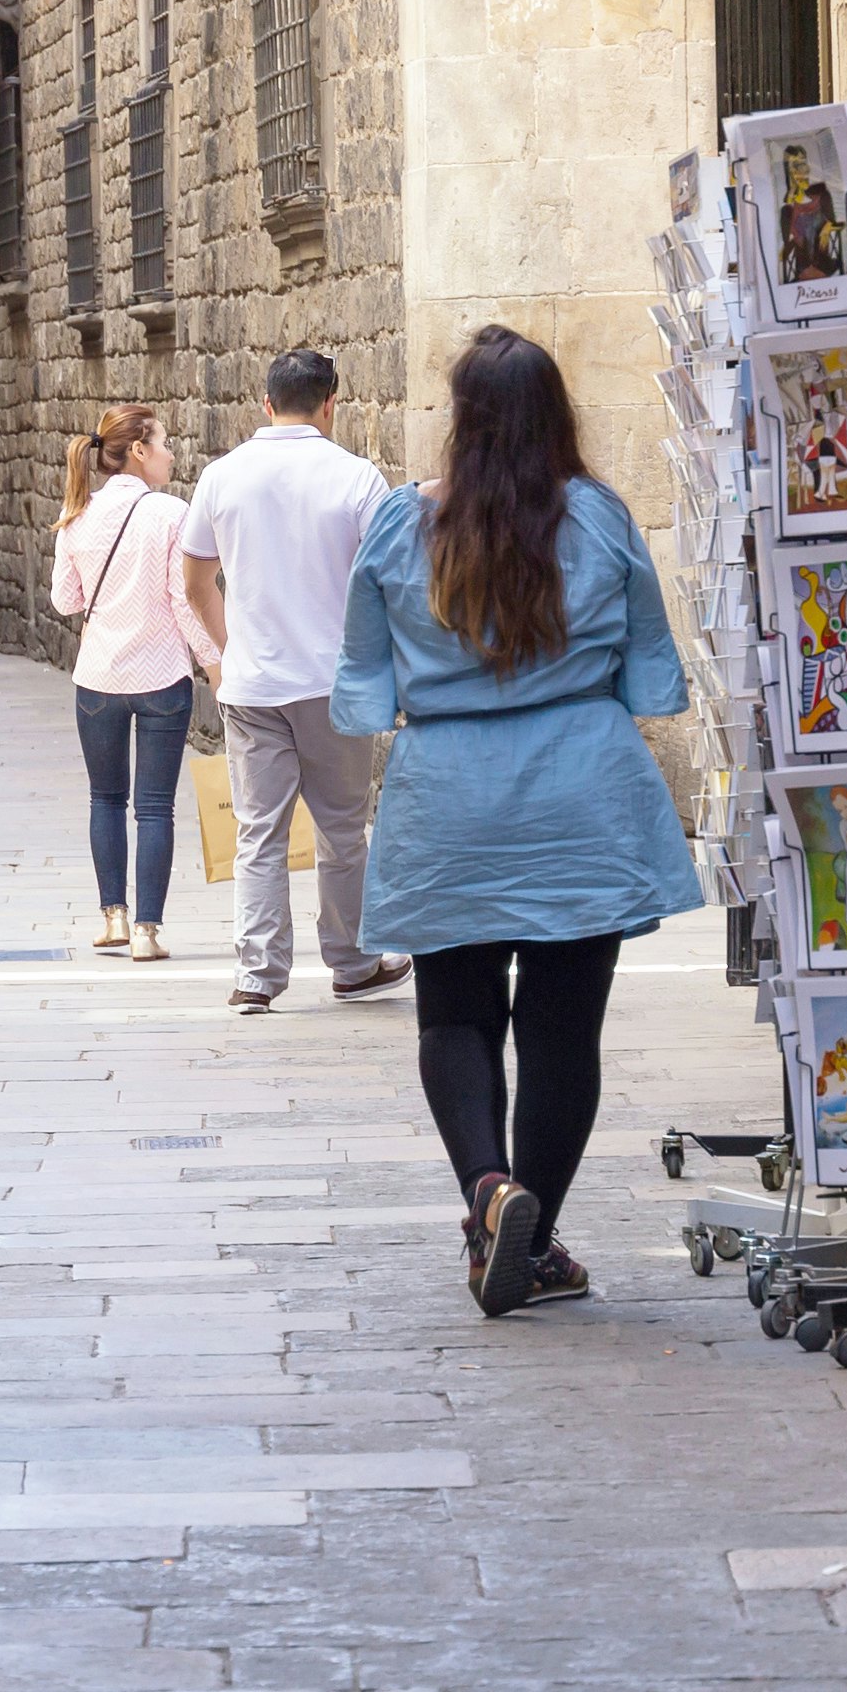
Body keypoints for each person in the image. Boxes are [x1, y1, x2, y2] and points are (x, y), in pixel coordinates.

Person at [334, 325, 690, 1317]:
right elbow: (650, 672)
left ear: (463, 419)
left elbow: (362, 679)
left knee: (453, 1012)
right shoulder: (602, 517)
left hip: (447, 793)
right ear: (555, 414)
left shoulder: (404, 526)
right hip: (581, 791)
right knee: (562, 1030)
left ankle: (489, 1191)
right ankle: (534, 1245)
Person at [183, 349, 412, 1015]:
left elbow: (196, 583)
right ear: (331, 403)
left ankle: (256, 973)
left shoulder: (222, 476)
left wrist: (231, 647)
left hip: (254, 685)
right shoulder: (357, 478)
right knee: (343, 830)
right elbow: (387, 582)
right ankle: (352, 961)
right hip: (334, 683)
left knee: (260, 830)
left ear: (265, 403)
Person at [51, 404, 220, 961]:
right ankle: (148, 933)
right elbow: (185, 598)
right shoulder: (172, 514)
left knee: (105, 798)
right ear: (140, 451)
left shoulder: (77, 512)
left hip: (98, 676)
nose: (172, 452)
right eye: (164, 441)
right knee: (154, 807)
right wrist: (216, 663)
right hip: (162, 677)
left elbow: (65, 600)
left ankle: (113, 919)